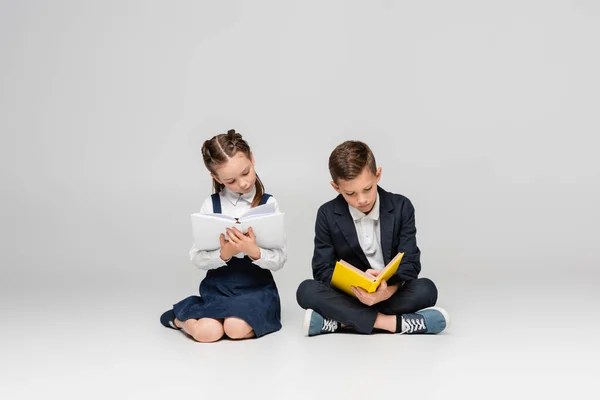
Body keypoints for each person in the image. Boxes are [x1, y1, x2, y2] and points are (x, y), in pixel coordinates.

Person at [296, 140, 449, 337]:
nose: (362, 199)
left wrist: (386, 291)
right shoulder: (327, 214)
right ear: (336, 187)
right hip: (350, 296)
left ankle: (340, 322)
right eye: (350, 193)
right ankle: (393, 323)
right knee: (306, 290)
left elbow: (410, 263)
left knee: (427, 289)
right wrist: (357, 283)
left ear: (378, 175)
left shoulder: (401, 206)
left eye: (367, 189)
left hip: (389, 294)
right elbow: (322, 269)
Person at [161, 129, 286, 342]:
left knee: (235, 328)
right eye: (231, 181)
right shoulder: (211, 204)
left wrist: (253, 251)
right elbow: (197, 258)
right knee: (208, 333)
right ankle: (181, 319)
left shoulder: (269, 204)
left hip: (257, 289)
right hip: (220, 287)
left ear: (252, 158)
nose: (243, 184)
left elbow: (280, 259)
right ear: (216, 178)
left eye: (246, 172)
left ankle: (210, 316)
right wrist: (224, 253)